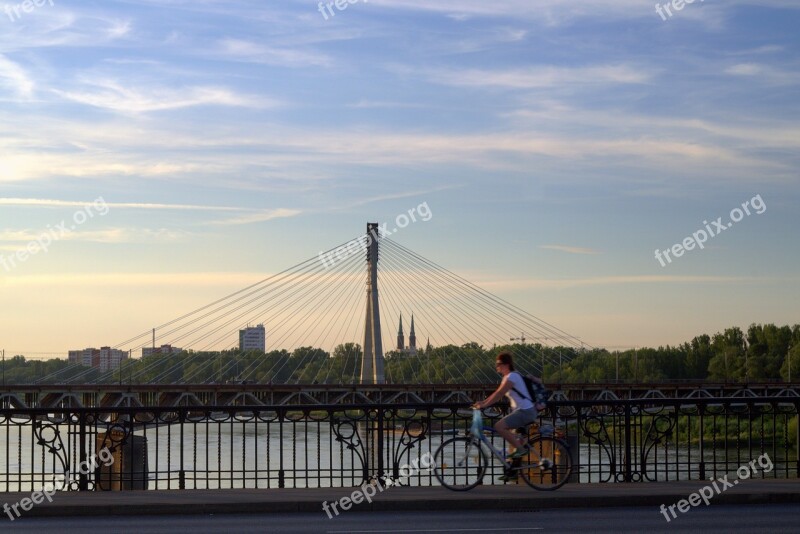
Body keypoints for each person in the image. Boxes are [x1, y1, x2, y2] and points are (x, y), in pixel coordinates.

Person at [474, 351, 540, 480]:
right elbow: (497, 393)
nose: (497, 366)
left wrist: (484, 405)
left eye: (499, 364)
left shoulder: (512, 377)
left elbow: (499, 394)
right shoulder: (507, 377)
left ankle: (521, 450)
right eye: (496, 364)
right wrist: (483, 403)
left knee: (499, 426)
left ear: (507, 364)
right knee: (516, 439)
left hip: (525, 411)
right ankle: (513, 471)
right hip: (522, 411)